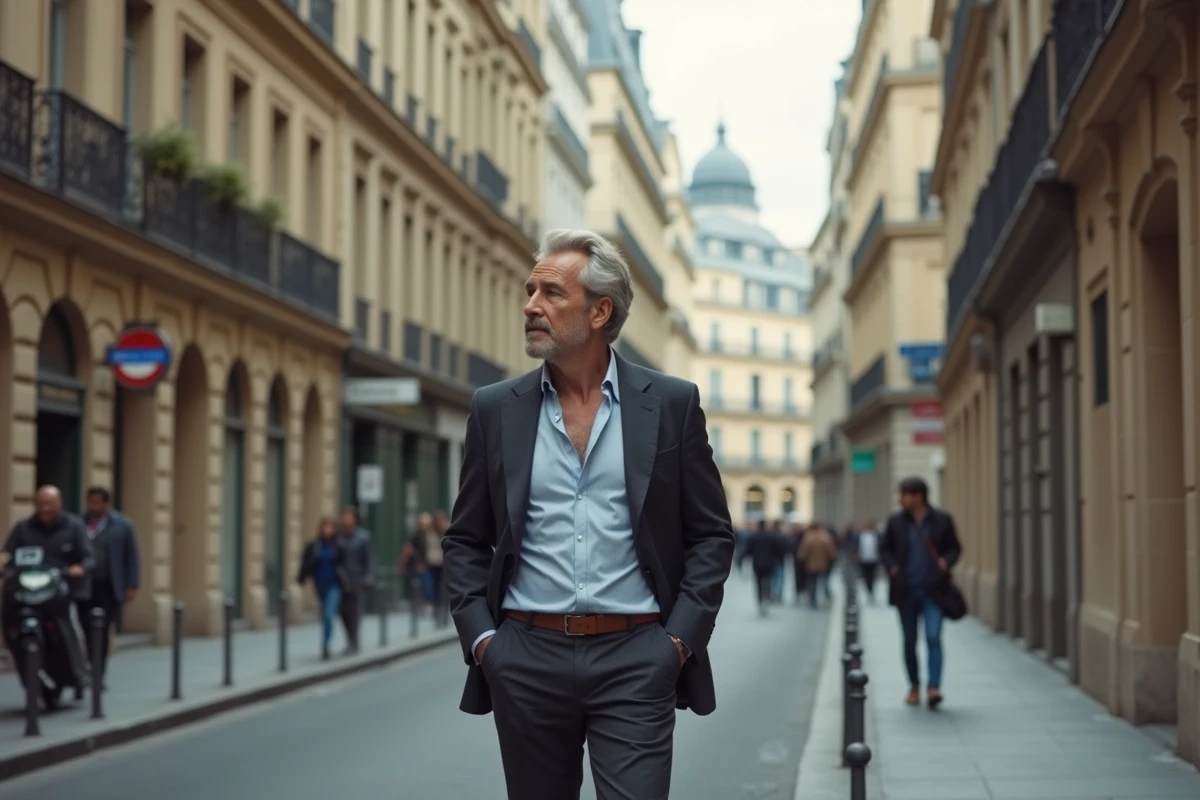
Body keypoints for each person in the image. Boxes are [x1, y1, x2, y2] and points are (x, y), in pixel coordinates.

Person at [443, 229, 736, 800]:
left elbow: (710, 535)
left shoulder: (671, 404)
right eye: (530, 291)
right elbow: (465, 540)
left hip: (637, 657)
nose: (531, 305)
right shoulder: (495, 409)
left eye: (551, 293)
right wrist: (485, 642)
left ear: (600, 311)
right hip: (525, 656)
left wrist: (676, 642)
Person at [880, 476, 962, 710]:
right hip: (906, 591)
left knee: (933, 637)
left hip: (934, 591)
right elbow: (884, 549)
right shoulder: (896, 522)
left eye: (904, 495)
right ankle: (914, 686)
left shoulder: (942, 520)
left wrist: (946, 562)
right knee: (909, 641)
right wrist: (892, 566)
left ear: (918, 496)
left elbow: (955, 547)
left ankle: (933, 687)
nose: (900, 499)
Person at [2, 486, 93, 685]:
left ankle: (79, 667)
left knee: (71, 622)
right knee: (12, 618)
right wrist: (5, 566)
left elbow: (88, 557)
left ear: (59, 504)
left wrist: (79, 568)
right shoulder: (23, 528)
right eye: (41, 504)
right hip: (29, 590)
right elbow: (9, 555)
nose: (44, 509)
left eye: (49, 504)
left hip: (60, 590)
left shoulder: (74, 526)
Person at [74, 486, 139, 687]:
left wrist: (132, 584)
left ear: (106, 503)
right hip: (84, 586)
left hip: (109, 587)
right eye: (90, 502)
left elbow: (132, 556)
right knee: (85, 627)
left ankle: (98, 672)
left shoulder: (122, 525)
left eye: (97, 503)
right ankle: (87, 665)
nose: (93, 507)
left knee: (102, 629)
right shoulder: (78, 524)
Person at [297, 518, 349, 659]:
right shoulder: (315, 546)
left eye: (330, 527)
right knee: (324, 614)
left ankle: (326, 644)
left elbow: (345, 565)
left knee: (328, 614)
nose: (327, 530)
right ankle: (325, 642)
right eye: (325, 527)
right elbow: (306, 562)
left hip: (335, 585)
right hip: (320, 585)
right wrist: (301, 577)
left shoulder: (339, 545)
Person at [337, 506, 373, 654]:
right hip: (341, 581)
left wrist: (368, 576)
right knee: (343, 612)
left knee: (355, 613)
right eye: (344, 517)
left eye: (349, 517)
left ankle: (353, 641)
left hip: (357, 580)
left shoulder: (363, 537)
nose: (346, 520)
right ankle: (350, 638)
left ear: (355, 520)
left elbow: (369, 559)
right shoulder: (338, 537)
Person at [739, 519, 786, 616]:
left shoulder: (753, 536)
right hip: (769, 564)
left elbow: (747, 550)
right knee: (768, 581)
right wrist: (779, 559)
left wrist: (742, 560)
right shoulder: (771, 536)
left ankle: (760, 600)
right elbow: (778, 550)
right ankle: (767, 598)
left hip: (757, 564)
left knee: (758, 583)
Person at [798, 524, 837, 608]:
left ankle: (812, 599)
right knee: (824, 581)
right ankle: (827, 597)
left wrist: (803, 561)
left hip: (811, 564)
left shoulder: (808, 538)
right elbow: (832, 553)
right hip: (824, 564)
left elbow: (802, 553)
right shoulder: (826, 537)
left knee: (812, 582)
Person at [856, 518, 881, 602]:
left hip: (874, 559)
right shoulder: (861, 535)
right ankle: (868, 590)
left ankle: (871, 590)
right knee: (866, 576)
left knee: (872, 576)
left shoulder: (876, 535)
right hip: (863, 559)